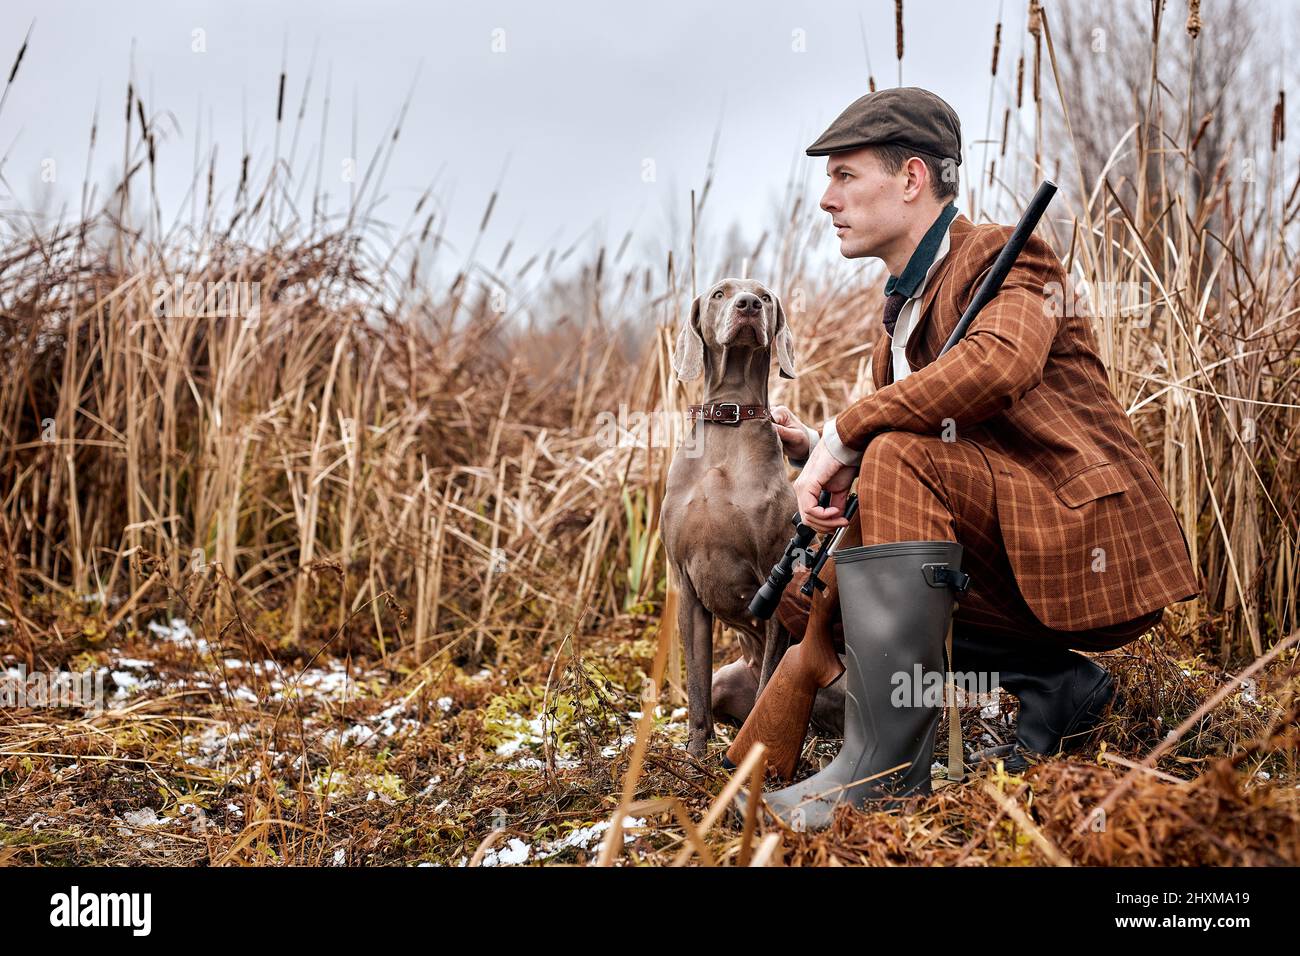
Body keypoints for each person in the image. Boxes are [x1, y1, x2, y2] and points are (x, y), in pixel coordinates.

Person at [757, 86, 1199, 829]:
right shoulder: (897, 313)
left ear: (911, 178)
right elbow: (939, 441)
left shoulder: (1005, 252)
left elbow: (999, 366)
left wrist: (849, 432)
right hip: (1006, 538)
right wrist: (820, 449)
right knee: (825, 575)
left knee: (894, 454)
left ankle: (886, 772)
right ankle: (1055, 687)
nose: (826, 199)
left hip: (1078, 531)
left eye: (843, 175)